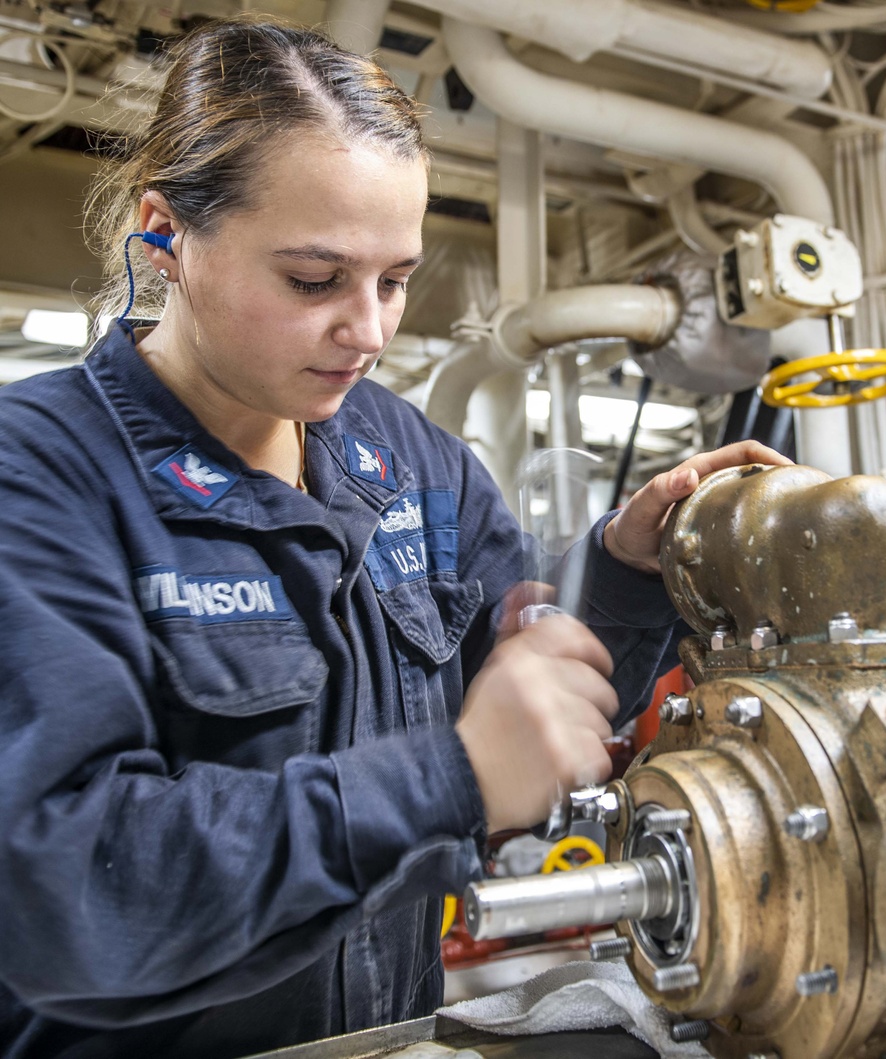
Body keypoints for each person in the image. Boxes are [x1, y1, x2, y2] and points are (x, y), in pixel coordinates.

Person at [0, 15, 789, 1059]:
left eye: (395, 279)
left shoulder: (408, 459)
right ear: (165, 239)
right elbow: (65, 894)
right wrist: (444, 779)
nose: (369, 332)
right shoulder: (40, 476)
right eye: (313, 280)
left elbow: (529, 684)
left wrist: (629, 574)